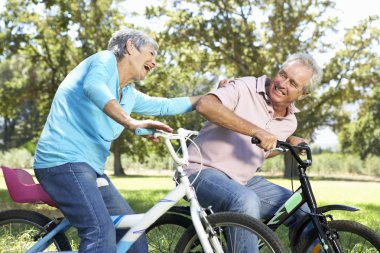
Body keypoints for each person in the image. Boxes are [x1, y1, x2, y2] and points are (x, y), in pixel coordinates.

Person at [33, 28, 201, 253]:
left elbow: (165, 105)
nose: (155, 62)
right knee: (100, 232)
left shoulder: (128, 94)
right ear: (131, 47)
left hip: (91, 170)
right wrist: (131, 123)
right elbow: (94, 87)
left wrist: (209, 97)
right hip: (62, 162)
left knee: (134, 235)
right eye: (151, 54)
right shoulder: (104, 60)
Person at [185, 53, 323, 252]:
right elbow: (205, 105)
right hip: (200, 171)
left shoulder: (290, 122)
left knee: (302, 209)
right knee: (245, 200)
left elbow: (263, 149)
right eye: (282, 75)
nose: (282, 83)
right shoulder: (245, 87)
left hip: (241, 181)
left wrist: (288, 144)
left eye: (292, 83)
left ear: (302, 94)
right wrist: (256, 130)